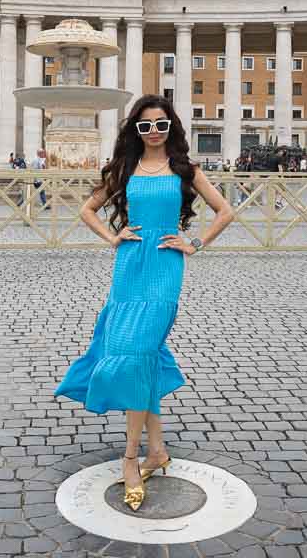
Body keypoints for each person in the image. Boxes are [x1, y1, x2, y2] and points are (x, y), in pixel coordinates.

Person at [54, 94, 235, 512]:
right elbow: (88, 209)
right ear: (135, 131)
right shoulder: (125, 169)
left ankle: (130, 458)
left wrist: (194, 242)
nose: (154, 132)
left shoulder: (185, 169)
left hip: (165, 270)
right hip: (129, 266)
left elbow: (224, 212)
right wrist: (111, 236)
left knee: (136, 355)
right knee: (142, 356)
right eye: (145, 125)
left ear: (171, 127)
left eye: (161, 124)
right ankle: (156, 452)